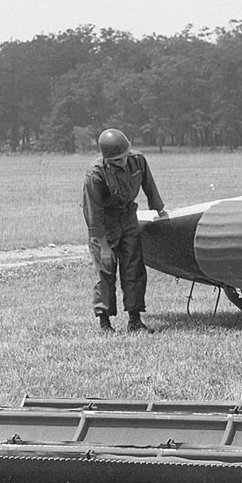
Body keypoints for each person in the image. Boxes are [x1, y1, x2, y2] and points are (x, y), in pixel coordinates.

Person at [81, 128, 169, 333]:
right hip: (105, 224)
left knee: (134, 268)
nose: (123, 162)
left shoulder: (137, 160)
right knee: (105, 272)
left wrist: (160, 209)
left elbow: (149, 186)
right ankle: (105, 323)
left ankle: (135, 320)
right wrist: (103, 246)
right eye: (117, 160)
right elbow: (93, 214)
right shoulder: (95, 175)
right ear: (107, 158)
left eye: (124, 157)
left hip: (128, 217)